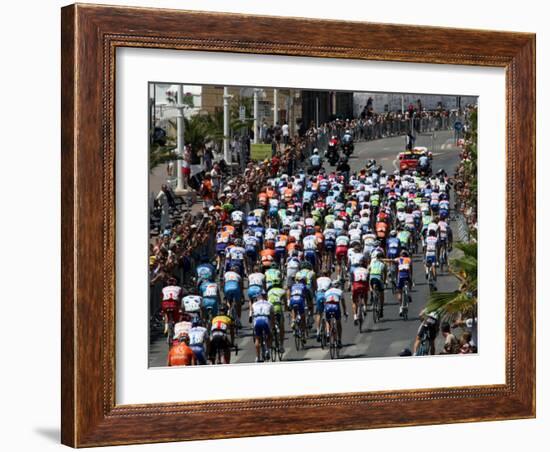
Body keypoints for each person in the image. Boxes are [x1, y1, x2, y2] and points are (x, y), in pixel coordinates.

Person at [251, 293, 274, 362]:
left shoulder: (254, 304)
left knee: (257, 339)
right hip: (265, 320)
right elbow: (272, 317)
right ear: (265, 297)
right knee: (270, 335)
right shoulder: (270, 304)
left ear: (258, 298)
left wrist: (253, 326)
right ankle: (267, 350)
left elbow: (252, 316)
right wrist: (272, 326)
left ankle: (257, 357)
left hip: (257, 321)